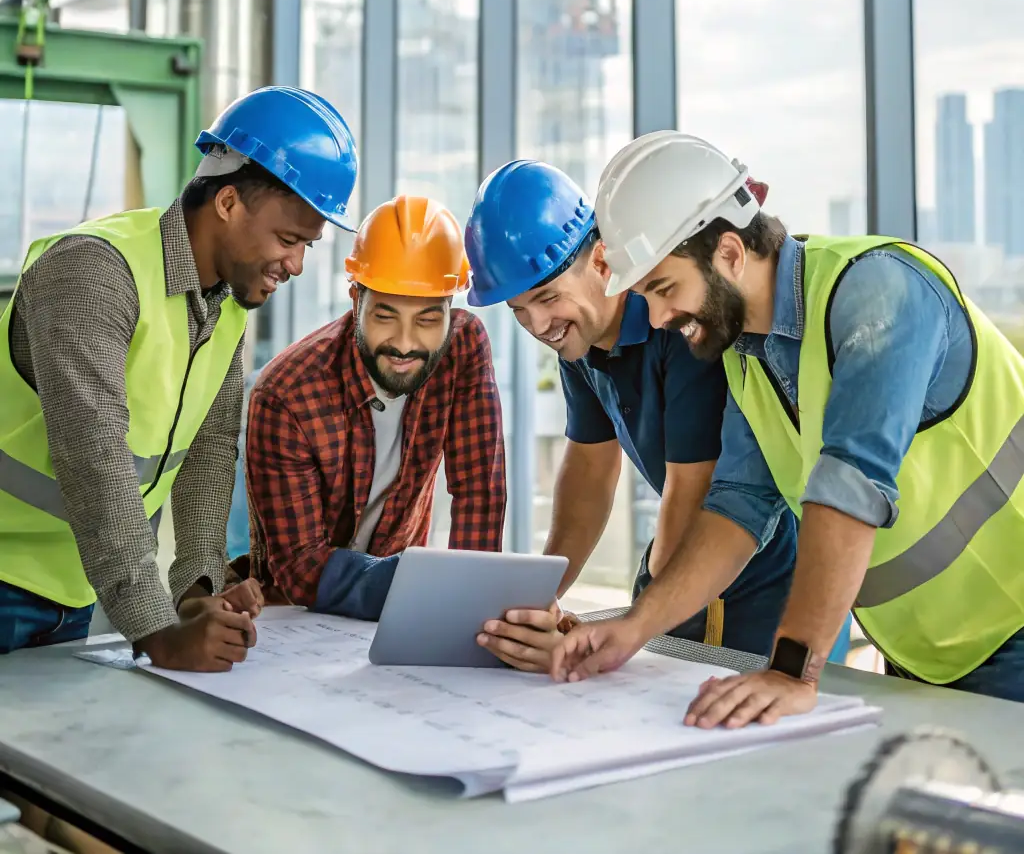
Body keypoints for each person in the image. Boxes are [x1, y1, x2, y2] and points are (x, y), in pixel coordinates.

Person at [552, 131, 1024, 720]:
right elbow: (738, 507)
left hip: (1013, 625)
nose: (659, 316)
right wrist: (634, 628)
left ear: (729, 252)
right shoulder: (746, 354)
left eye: (664, 288)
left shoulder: (880, 292)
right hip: (926, 654)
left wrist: (790, 670)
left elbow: (850, 486)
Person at [0, 85, 358, 671]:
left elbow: (210, 452)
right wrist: (157, 629)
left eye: (307, 246)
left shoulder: (228, 306)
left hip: (72, 589)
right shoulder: (94, 273)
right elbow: (94, 457)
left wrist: (197, 587)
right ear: (227, 204)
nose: (296, 264)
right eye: (289, 240)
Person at [462, 158, 811, 673]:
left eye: (546, 298)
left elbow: (692, 495)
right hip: (680, 575)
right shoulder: (578, 341)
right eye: (518, 310)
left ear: (601, 262)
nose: (537, 324)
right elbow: (588, 474)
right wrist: (538, 599)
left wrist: (628, 623)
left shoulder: (679, 325)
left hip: (752, 588)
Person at [246, 194, 506, 619]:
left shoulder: (462, 348)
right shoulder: (286, 394)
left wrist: (477, 605)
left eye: (427, 320)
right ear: (356, 299)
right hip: (294, 618)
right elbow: (299, 564)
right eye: (386, 316)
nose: (405, 343)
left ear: (449, 309)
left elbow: (479, 491)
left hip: (405, 608)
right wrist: (432, 586)